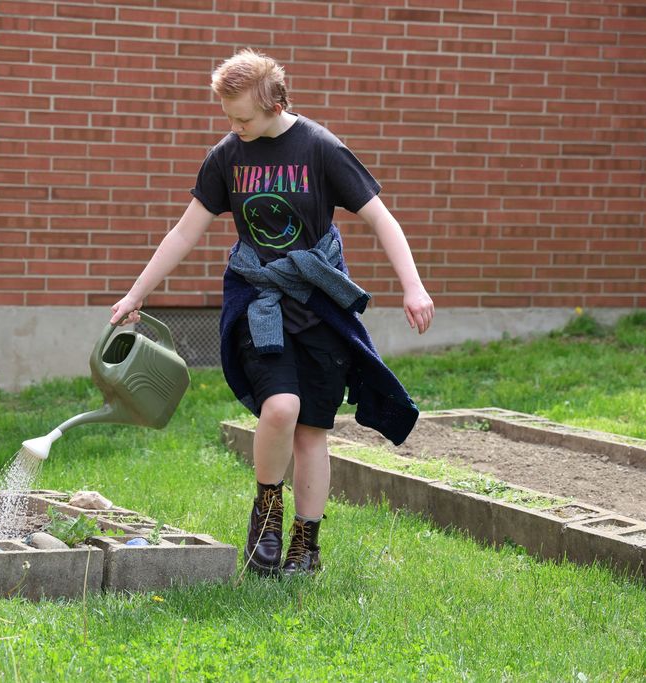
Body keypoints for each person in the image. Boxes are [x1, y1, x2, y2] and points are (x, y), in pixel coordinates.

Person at [110, 48, 434, 577]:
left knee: (311, 429)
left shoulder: (320, 148)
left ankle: (306, 545)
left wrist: (413, 287)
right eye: (228, 117)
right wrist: (136, 293)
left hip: (319, 306)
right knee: (280, 408)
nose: (234, 127)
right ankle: (267, 513)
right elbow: (185, 230)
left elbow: (382, 218)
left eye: (244, 117)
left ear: (276, 101)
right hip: (259, 302)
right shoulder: (227, 155)